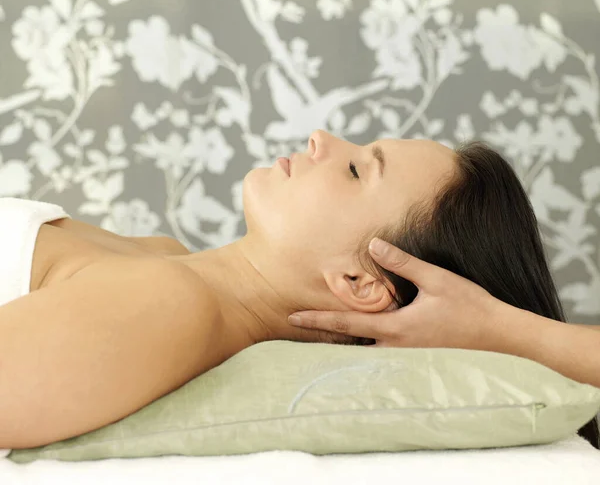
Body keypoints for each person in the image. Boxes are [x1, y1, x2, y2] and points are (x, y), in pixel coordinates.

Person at [1, 129, 597, 450]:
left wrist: (502, 330)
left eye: (358, 168)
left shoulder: (170, 305)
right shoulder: (171, 262)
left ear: (362, 283)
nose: (321, 140)